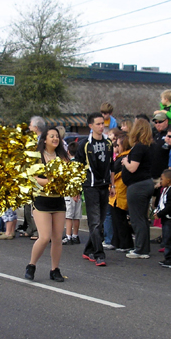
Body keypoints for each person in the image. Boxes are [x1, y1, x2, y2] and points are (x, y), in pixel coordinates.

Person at [25, 128, 69, 282]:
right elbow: (33, 178)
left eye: (57, 136)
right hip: (42, 200)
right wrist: (50, 182)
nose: (55, 138)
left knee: (57, 238)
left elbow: (69, 175)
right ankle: (31, 265)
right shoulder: (37, 157)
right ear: (44, 139)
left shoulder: (63, 157)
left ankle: (55, 269)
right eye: (52, 136)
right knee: (44, 237)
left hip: (58, 201)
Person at [76, 112, 112, 267]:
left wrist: (112, 185)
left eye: (102, 123)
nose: (101, 126)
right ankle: (99, 254)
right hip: (90, 186)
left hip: (104, 185)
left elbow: (110, 165)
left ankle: (88, 249)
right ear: (90, 126)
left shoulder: (108, 143)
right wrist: (76, 188)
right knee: (95, 221)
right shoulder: (84, 144)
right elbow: (77, 167)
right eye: (97, 124)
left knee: (101, 221)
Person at [121, 118, 153, 258]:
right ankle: (144, 248)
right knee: (142, 218)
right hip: (146, 183)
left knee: (136, 218)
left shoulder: (139, 147)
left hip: (138, 186)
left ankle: (140, 249)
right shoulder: (147, 146)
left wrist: (125, 161)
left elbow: (133, 168)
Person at [155, 169, 171, 268]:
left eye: (162, 179)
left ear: (169, 180)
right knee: (166, 238)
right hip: (167, 219)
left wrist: (161, 213)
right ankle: (168, 257)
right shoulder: (166, 189)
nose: (160, 181)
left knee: (169, 239)